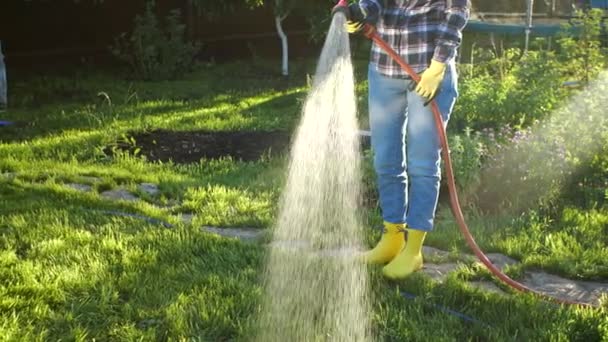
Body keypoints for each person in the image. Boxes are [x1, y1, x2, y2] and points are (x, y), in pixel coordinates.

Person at [346, 0, 470, 279]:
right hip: (384, 70)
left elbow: (457, 12)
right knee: (385, 157)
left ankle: (413, 249)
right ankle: (392, 238)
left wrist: (438, 65)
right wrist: (361, 13)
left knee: (423, 163)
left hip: (427, 73)